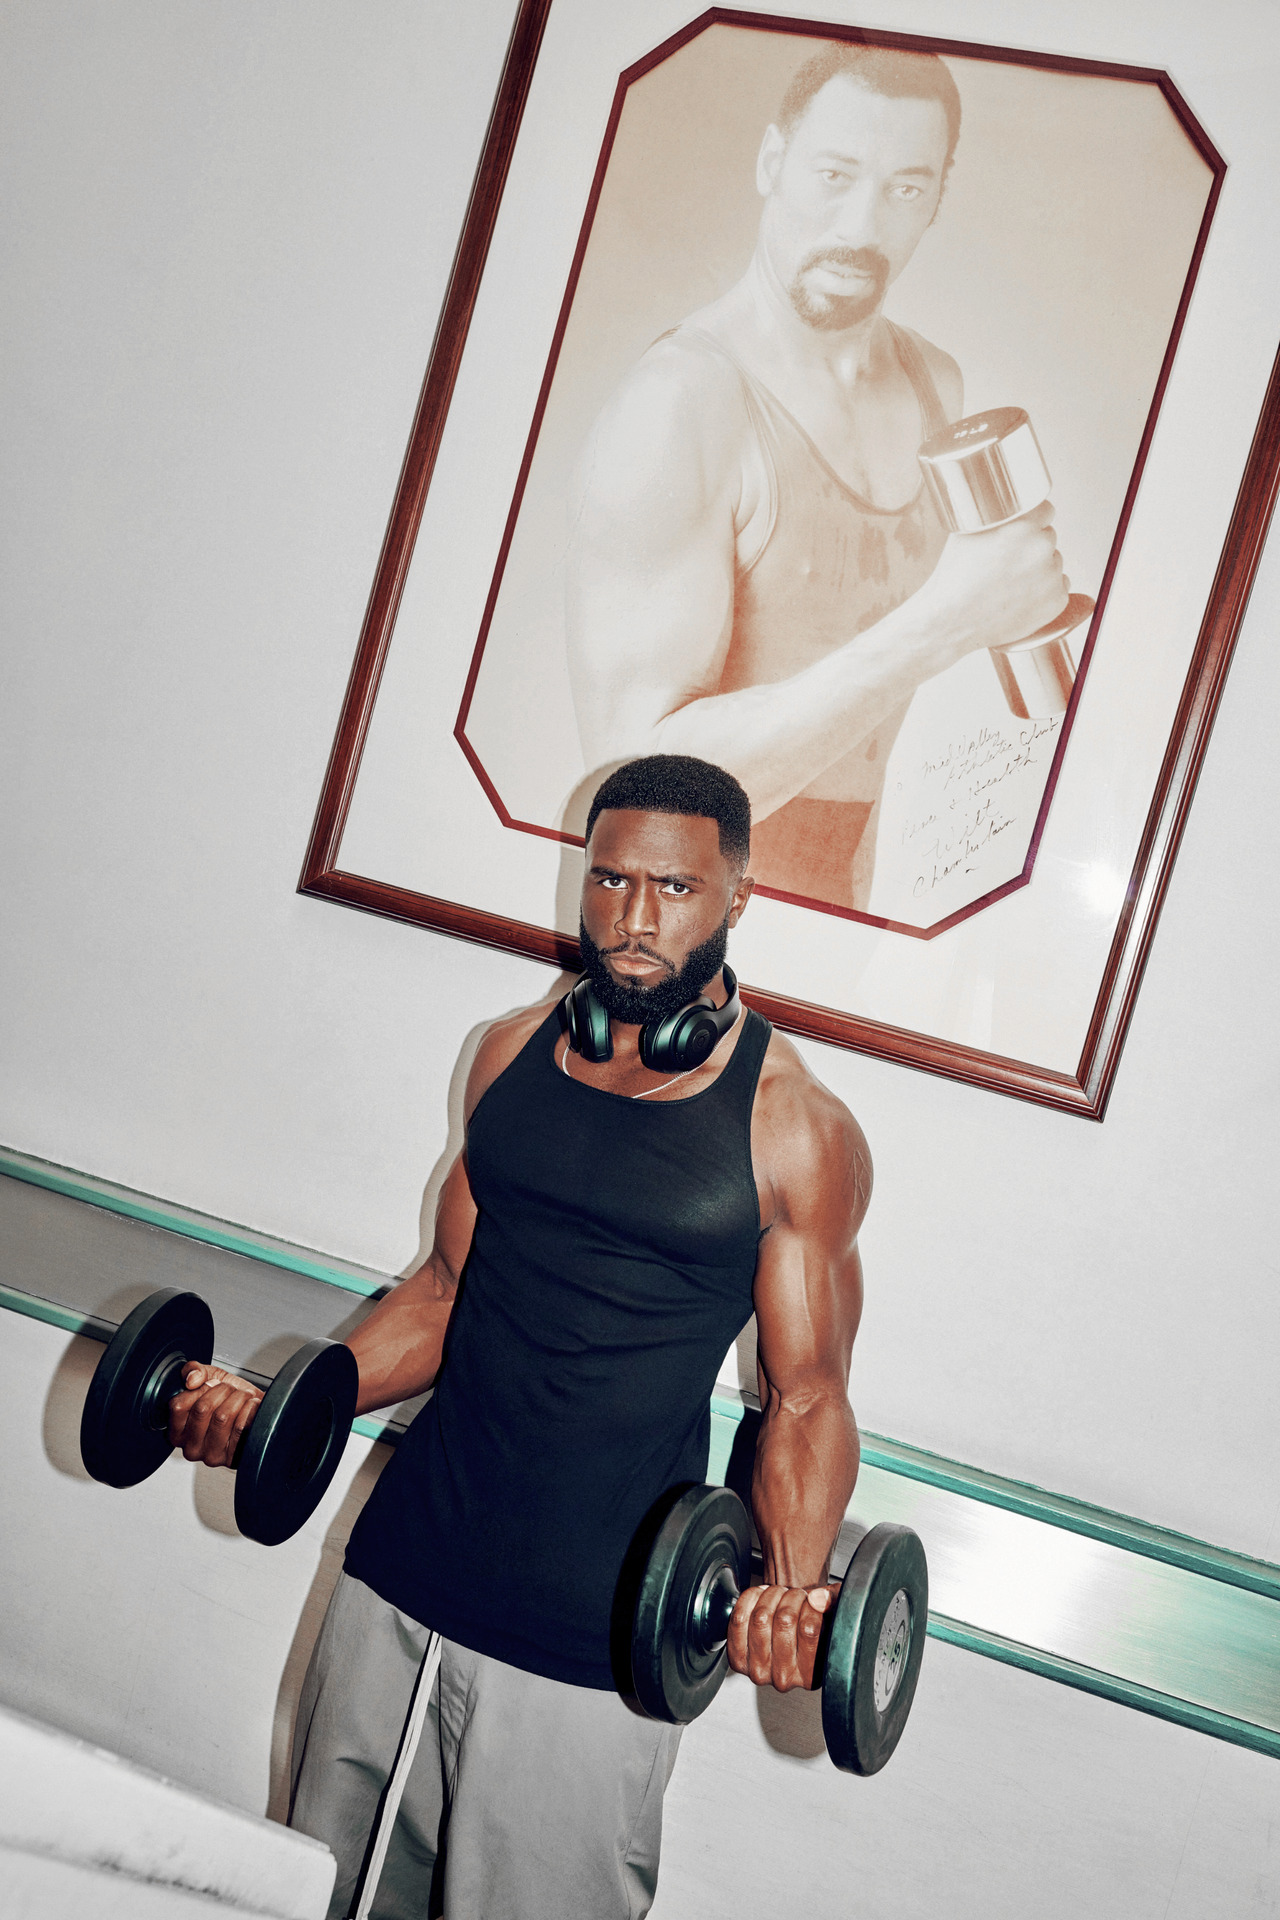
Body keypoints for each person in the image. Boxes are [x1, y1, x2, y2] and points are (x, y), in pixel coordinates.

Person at [169, 754, 871, 1920]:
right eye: (608, 880)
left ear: (738, 895)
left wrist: (789, 1596)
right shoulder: (506, 1053)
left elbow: (805, 1398)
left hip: (599, 1624)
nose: (631, 919)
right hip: (402, 1568)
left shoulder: (792, 1127)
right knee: (314, 1889)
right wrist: (284, 1407)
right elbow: (441, 1295)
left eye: (673, 889)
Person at [567, 44, 1069, 910]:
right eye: (835, 175)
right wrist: (951, 619)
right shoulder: (680, 405)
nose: (861, 226)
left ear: (937, 200)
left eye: (905, 188)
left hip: (859, 904)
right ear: (773, 161)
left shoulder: (934, 383)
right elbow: (638, 798)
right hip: (695, 928)